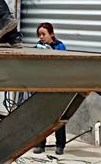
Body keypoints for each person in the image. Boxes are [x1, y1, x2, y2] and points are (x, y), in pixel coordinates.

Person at [33, 22, 67, 155]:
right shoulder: (38, 46)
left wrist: (51, 53)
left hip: (56, 85)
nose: (41, 37)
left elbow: (63, 64)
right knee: (40, 116)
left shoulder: (59, 46)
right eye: (39, 35)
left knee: (58, 116)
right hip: (41, 85)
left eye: (43, 34)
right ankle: (40, 143)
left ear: (51, 34)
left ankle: (60, 144)